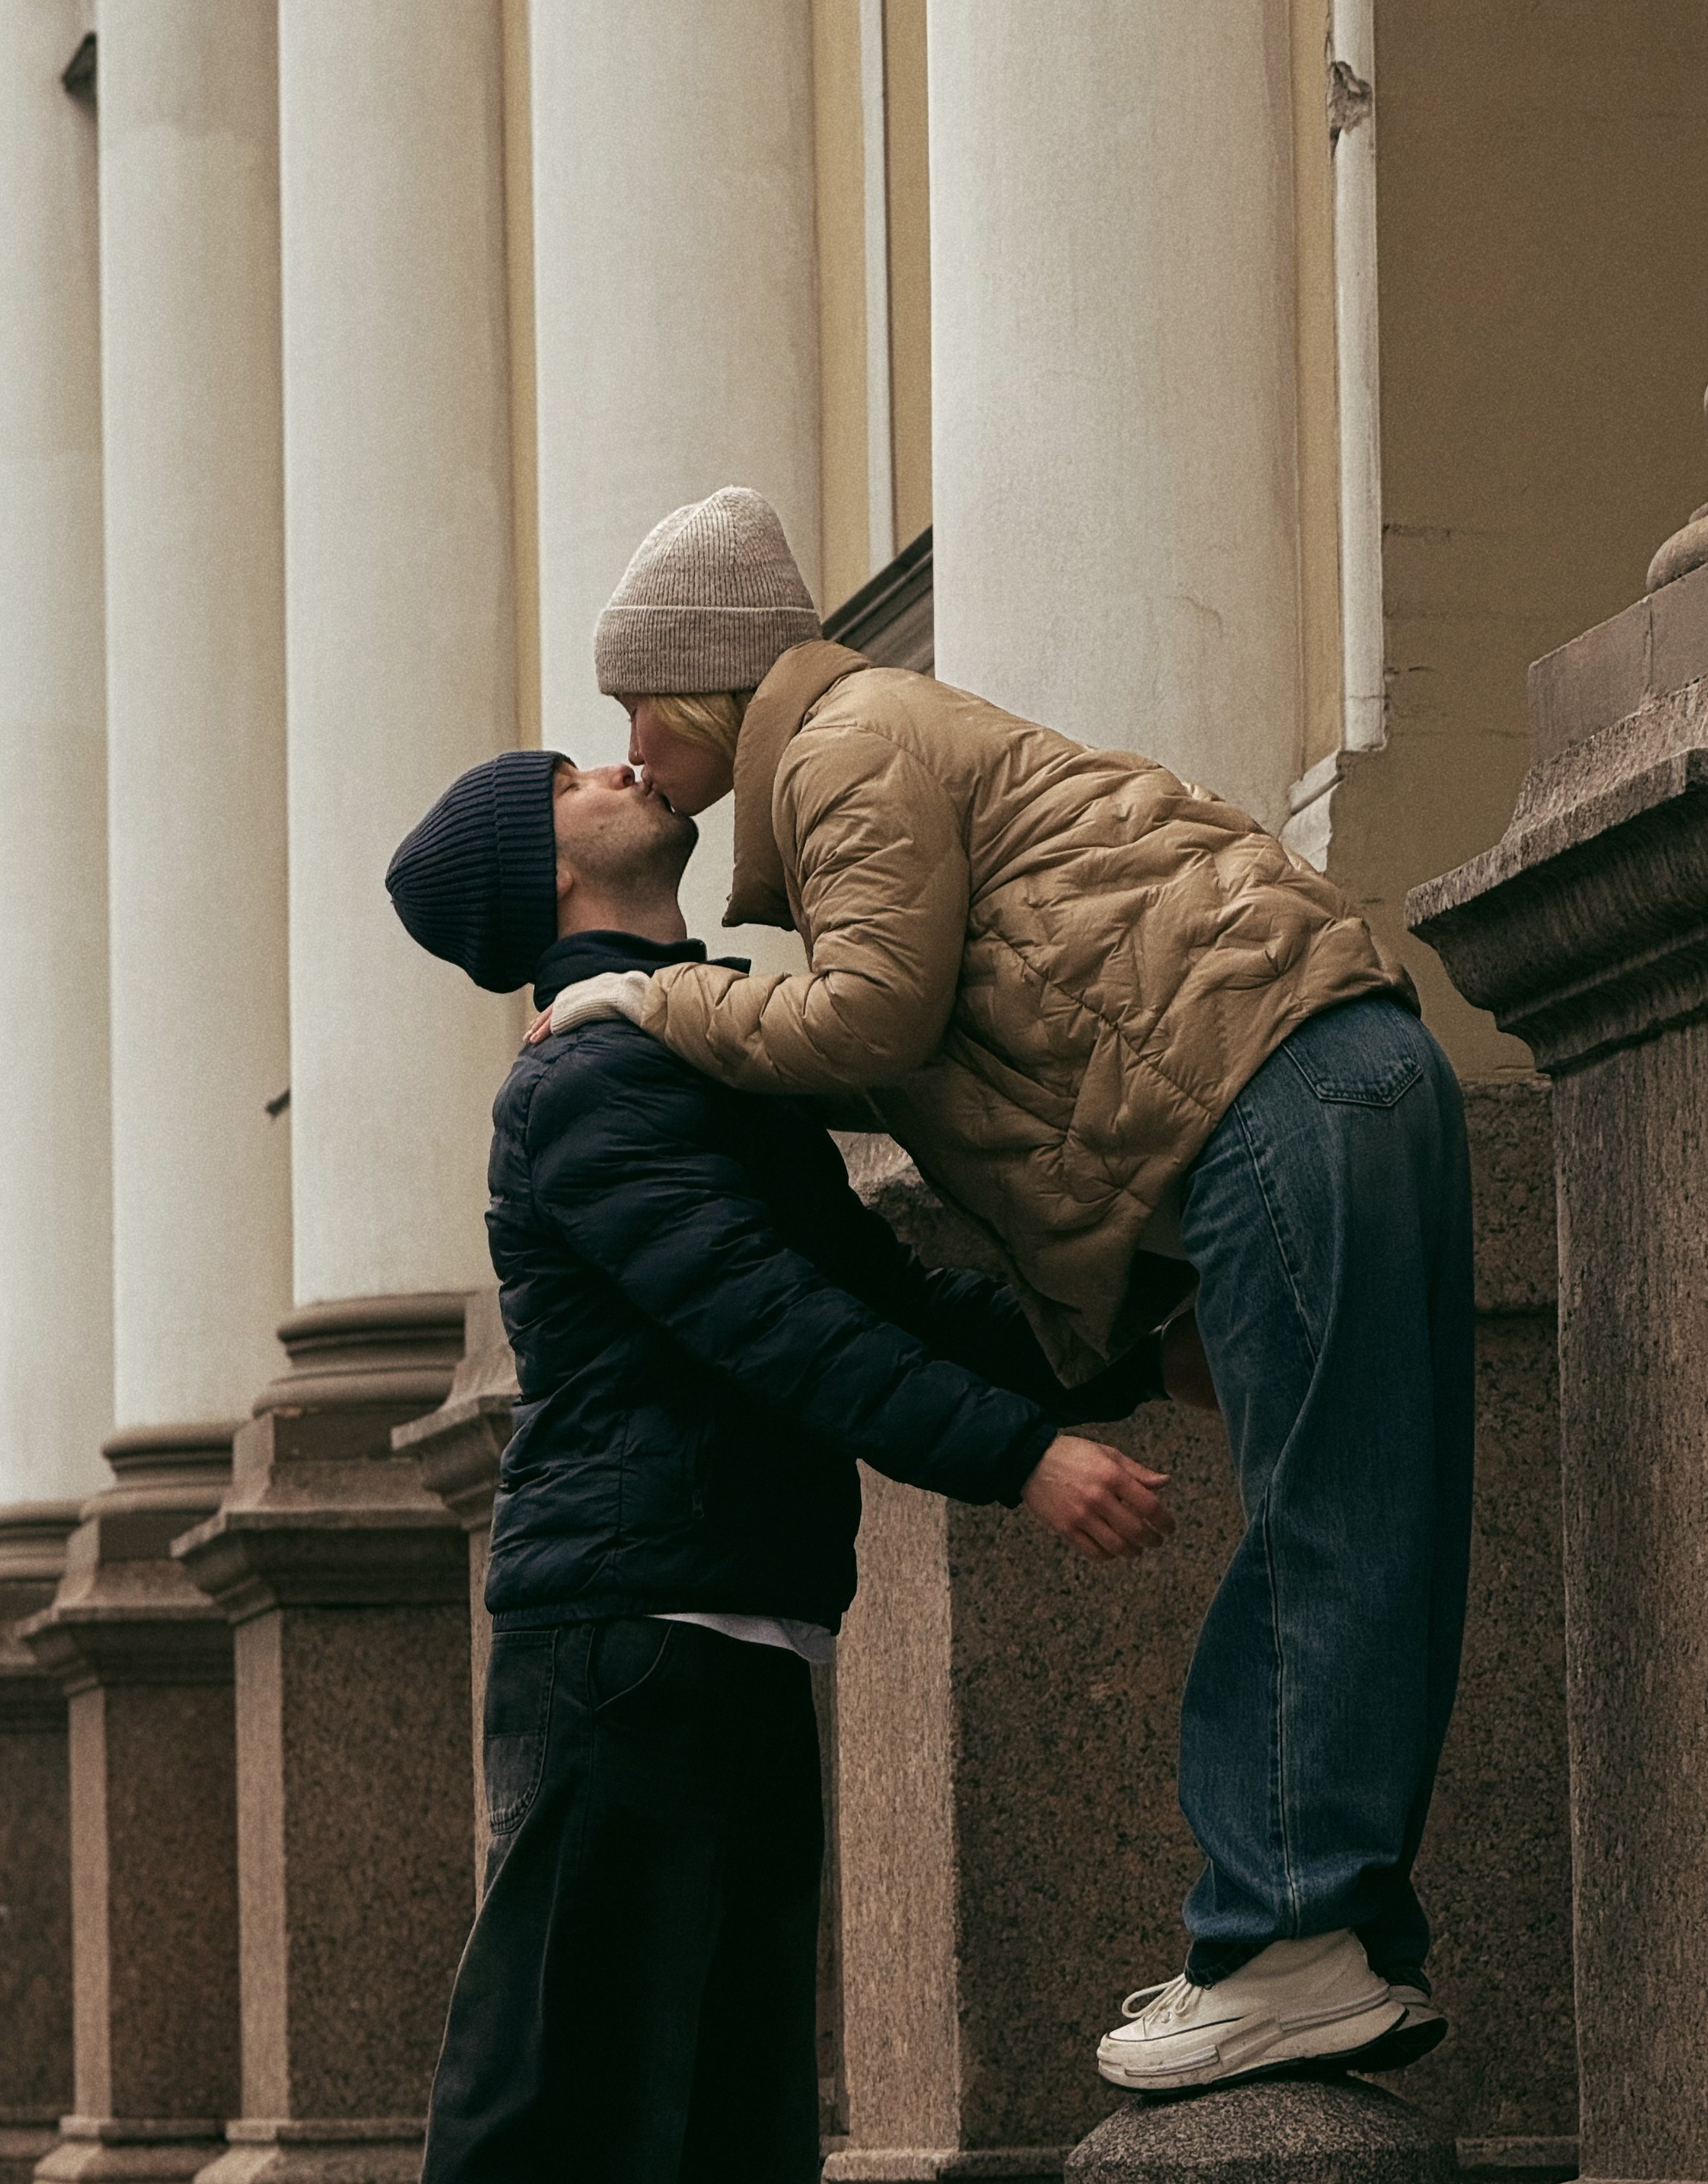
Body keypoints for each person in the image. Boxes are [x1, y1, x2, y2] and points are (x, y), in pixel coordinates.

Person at [296, 745, 1169, 2184]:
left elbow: (870, 1282)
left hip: (732, 1636)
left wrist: (1112, 1345)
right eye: (564, 775)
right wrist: (1023, 1454)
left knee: (722, 2137)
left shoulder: (687, 1056)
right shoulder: (588, 1085)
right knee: (568, 2119)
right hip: (626, 1646)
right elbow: (768, 1326)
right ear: (541, 870)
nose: (614, 757)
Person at [536, 486, 1472, 2099]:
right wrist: (1131, 1328)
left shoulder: (841, 743)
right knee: (1367, 1517)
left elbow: (873, 1023)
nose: (627, 745)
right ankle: (1326, 1939)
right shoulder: (888, 736)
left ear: (700, 685)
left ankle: (1288, 1936)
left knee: (1328, 1524)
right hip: (1337, 1072)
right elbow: (998, 1057)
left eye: (634, 702)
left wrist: (653, 999)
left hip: (1273, 1098)